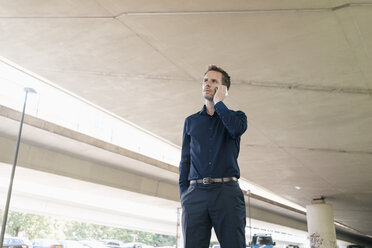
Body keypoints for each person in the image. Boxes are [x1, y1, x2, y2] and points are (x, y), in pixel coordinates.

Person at [179, 65, 248, 247]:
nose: (207, 84)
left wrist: (219, 103)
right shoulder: (191, 121)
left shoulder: (237, 117)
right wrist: (184, 195)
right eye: (205, 80)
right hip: (195, 195)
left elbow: (236, 129)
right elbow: (185, 161)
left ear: (224, 89)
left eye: (214, 81)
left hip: (227, 193)